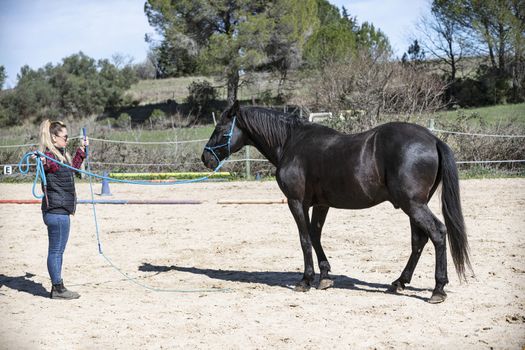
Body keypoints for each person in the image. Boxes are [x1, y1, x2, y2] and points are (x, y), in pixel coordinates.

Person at [38, 119, 88, 300]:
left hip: (59, 210)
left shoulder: (60, 155)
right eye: (65, 137)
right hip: (56, 212)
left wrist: (81, 151)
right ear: (54, 137)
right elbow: (48, 165)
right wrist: (42, 160)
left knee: (57, 250)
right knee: (56, 251)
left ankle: (57, 286)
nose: (67, 139)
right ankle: (58, 288)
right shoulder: (50, 157)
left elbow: (71, 169)